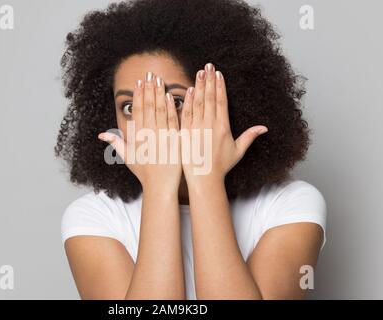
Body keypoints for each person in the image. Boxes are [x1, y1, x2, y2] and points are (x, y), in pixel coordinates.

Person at [55, 0, 327, 299]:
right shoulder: (93, 218)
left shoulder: (289, 204)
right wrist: (160, 189)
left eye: (175, 101)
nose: (151, 125)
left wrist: (205, 180)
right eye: (131, 106)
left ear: (224, 104)